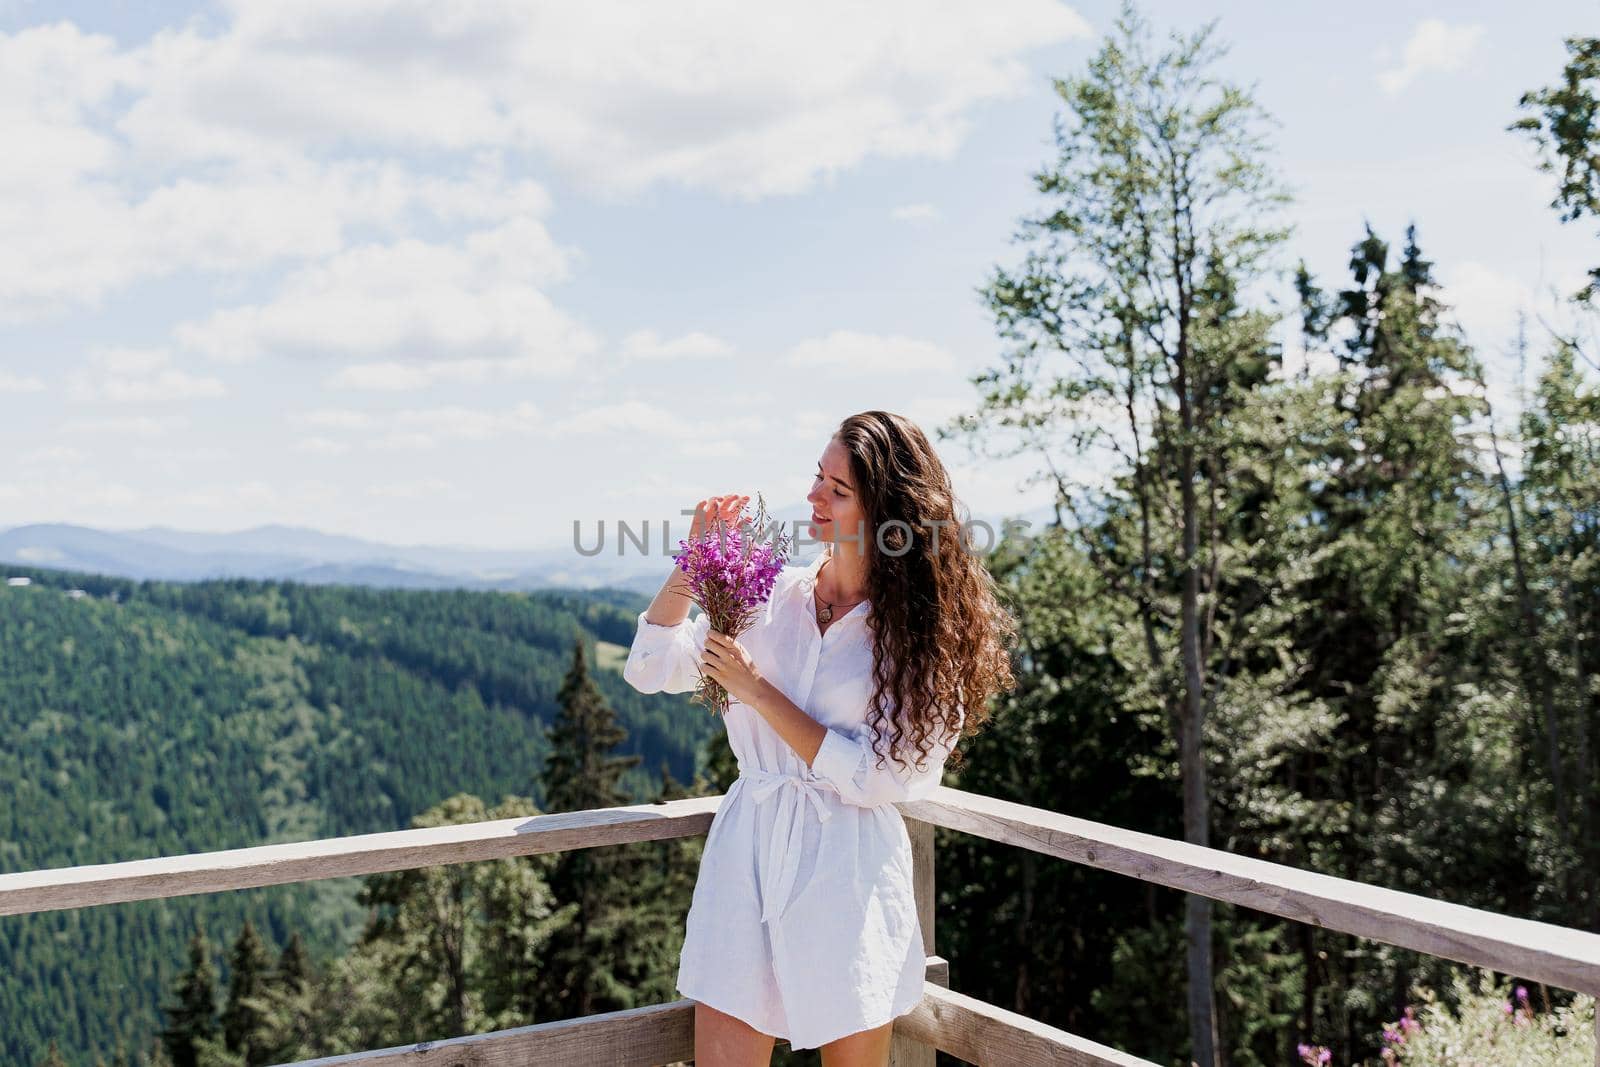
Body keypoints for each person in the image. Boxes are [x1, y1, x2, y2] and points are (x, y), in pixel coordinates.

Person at [623, 410, 1018, 1067]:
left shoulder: (919, 638)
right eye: (817, 477)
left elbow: (884, 779)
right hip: (746, 863)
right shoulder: (766, 596)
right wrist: (697, 561)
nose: (812, 497)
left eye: (837, 489)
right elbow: (649, 665)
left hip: (848, 876)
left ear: (885, 512)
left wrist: (759, 693)